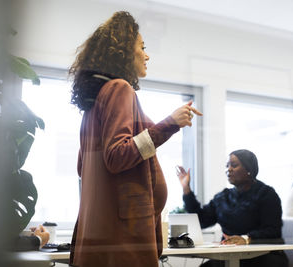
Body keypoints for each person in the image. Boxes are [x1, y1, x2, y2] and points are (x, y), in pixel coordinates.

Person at [68, 11, 202, 267]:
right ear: (123, 52)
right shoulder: (120, 89)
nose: (147, 55)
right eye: (142, 47)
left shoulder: (95, 103)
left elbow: (81, 167)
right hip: (123, 239)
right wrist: (170, 124)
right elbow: (117, 156)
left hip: (100, 234)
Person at [176, 149, 288, 267]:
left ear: (249, 169)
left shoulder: (266, 194)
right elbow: (201, 221)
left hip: (263, 256)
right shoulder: (223, 197)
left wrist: (246, 239)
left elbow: (272, 230)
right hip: (231, 255)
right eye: (227, 166)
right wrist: (186, 190)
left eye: (234, 165)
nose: (228, 169)